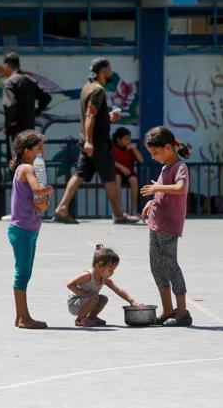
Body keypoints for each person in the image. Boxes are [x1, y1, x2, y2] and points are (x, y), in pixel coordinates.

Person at [53, 58, 139, 225]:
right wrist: (90, 142)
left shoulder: (87, 87)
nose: (111, 70)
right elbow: (90, 115)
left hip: (90, 141)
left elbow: (94, 115)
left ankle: (62, 208)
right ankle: (118, 214)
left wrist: (108, 118)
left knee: (79, 174)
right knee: (109, 177)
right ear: (103, 70)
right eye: (109, 68)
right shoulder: (98, 90)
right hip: (98, 143)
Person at [140, 126, 193, 327]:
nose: (153, 157)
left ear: (168, 147)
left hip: (169, 226)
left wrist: (156, 188)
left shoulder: (180, 167)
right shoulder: (164, 168)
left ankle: (182, 312)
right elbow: (164, 195)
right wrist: (152, 201)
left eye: (155, 152)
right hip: (156, 225)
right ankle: (167, 309)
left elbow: (180, 188)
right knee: (157, 267)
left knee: (171, 266)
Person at [8, 130, 54, 329]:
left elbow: (38, 203)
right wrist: (49, 189)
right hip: (23, 229)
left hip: (27, 228)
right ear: (27, 151)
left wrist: (44, 200)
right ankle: (24, 317)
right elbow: (38, 190)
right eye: (38, 148)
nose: (41, 152)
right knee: (23, 273)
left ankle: (20, 317)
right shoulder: (27, 168)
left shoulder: (25, 168)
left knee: (25, 272)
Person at [66, 244, 143, 327]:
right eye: (110, 270)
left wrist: (132, 301)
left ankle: (92, 317)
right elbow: (70, 285)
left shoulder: (104, 279)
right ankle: (79, 319)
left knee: (103, 299)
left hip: (88, 300)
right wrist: (85, 294)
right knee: (95, 297)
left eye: (113, 270)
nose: (112, 273)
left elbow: (118, 290)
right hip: (75, 303)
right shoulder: (88, 275)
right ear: (99, 266)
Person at [2, 52, 52, 152]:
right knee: (28, 160)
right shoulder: (30, 80)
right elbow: (46, 98)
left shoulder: (10, 82)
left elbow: (10, 104)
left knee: (16, 161)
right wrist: (35, 112)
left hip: (16, 131)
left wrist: (9, 123)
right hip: (30, 129)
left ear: (7, 65)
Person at [112, 127, 144, 217]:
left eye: (129, 138)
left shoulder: (130, 148)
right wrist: (121, 167)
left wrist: (134, 149)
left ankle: (133, 210)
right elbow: (110, 161)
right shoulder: (113, 148)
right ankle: (120, 209)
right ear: (119, 139)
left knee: (134, 180)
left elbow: (141, 160)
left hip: (129, 174)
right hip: (117, 172)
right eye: (126, 139)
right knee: (117, 178)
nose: (129, 141)